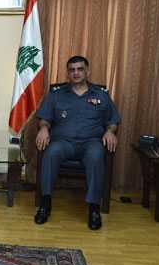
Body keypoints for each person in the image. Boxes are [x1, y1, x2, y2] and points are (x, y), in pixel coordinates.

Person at [34, 56, 120, 230]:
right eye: (72, 70)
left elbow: (113, 121)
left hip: (90, 143)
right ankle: (45, 203)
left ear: (88, 72)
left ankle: (94, 208)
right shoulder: (57, 95)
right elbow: (44, 119)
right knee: (50, 152)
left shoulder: (101, 95)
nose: (76, 73)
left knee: (96, 156)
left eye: (80, 69)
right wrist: (43, 128)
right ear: (68, 73)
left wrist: (110, 132)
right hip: (63, 142)